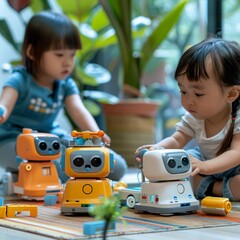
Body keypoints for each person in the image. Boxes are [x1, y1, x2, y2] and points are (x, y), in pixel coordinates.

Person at [0, 11, 127, 182]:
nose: (67, 62)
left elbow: (78, 111)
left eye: (72, 55)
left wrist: (96, 134)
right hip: (12, 141)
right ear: (32, 52)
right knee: (63, 168)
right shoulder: (20, 80)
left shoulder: (65, 84)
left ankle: (26, 175)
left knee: (115, 166)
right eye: (59, 55)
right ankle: (22, 176)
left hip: (52, 138)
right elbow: (4, 106)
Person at [136, 37, 240, 201]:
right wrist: (157, 148)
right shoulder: (196, 116)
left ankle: (214, 188)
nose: (188, 101)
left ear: (231, 94)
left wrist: (205, 167)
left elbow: (236, 153)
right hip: (203, 164)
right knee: (179, 162)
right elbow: (177, 140)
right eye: (183, 91)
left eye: (198, 94)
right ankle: (214, 186)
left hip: (234, 168)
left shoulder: (237, 116)